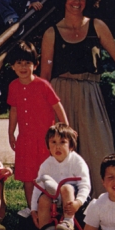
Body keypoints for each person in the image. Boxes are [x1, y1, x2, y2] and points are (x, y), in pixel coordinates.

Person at [40, 0, 115, 197]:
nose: (76, 1)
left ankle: (104, 205)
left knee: (100, 150)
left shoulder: (96, 26)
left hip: (90, 94)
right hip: (60, 96)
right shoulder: (51, 33)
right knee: (62, 154)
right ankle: (65, 210)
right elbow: (46, 75)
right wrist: (44, 109)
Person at [6, 41, 68, 208]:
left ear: (36, 65)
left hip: (45, 140)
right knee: (28, 178)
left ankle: (52, 208)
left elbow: (57, 106)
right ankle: (32, 209)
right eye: (19, 63)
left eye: (28, 63)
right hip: (25, 141)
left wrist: (66, 130)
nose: (23, 67)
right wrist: (11, 132)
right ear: (12, 66)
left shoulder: (42, 85)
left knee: (47, 176)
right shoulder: (13, 86)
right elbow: (14, 110)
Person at [31, 123, 91, 230]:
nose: (57, 147)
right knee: (43, 198)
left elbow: (85, 185)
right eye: (53, 142)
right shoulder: (46, 165)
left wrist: (78, 202)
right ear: (48, 145)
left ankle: (68, 222)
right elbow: (38, 188)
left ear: (71, 146)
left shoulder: (77, 162)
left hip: (75, 199)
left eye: (62, 142)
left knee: (66, 187)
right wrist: (34, 209)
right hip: (55, 197)